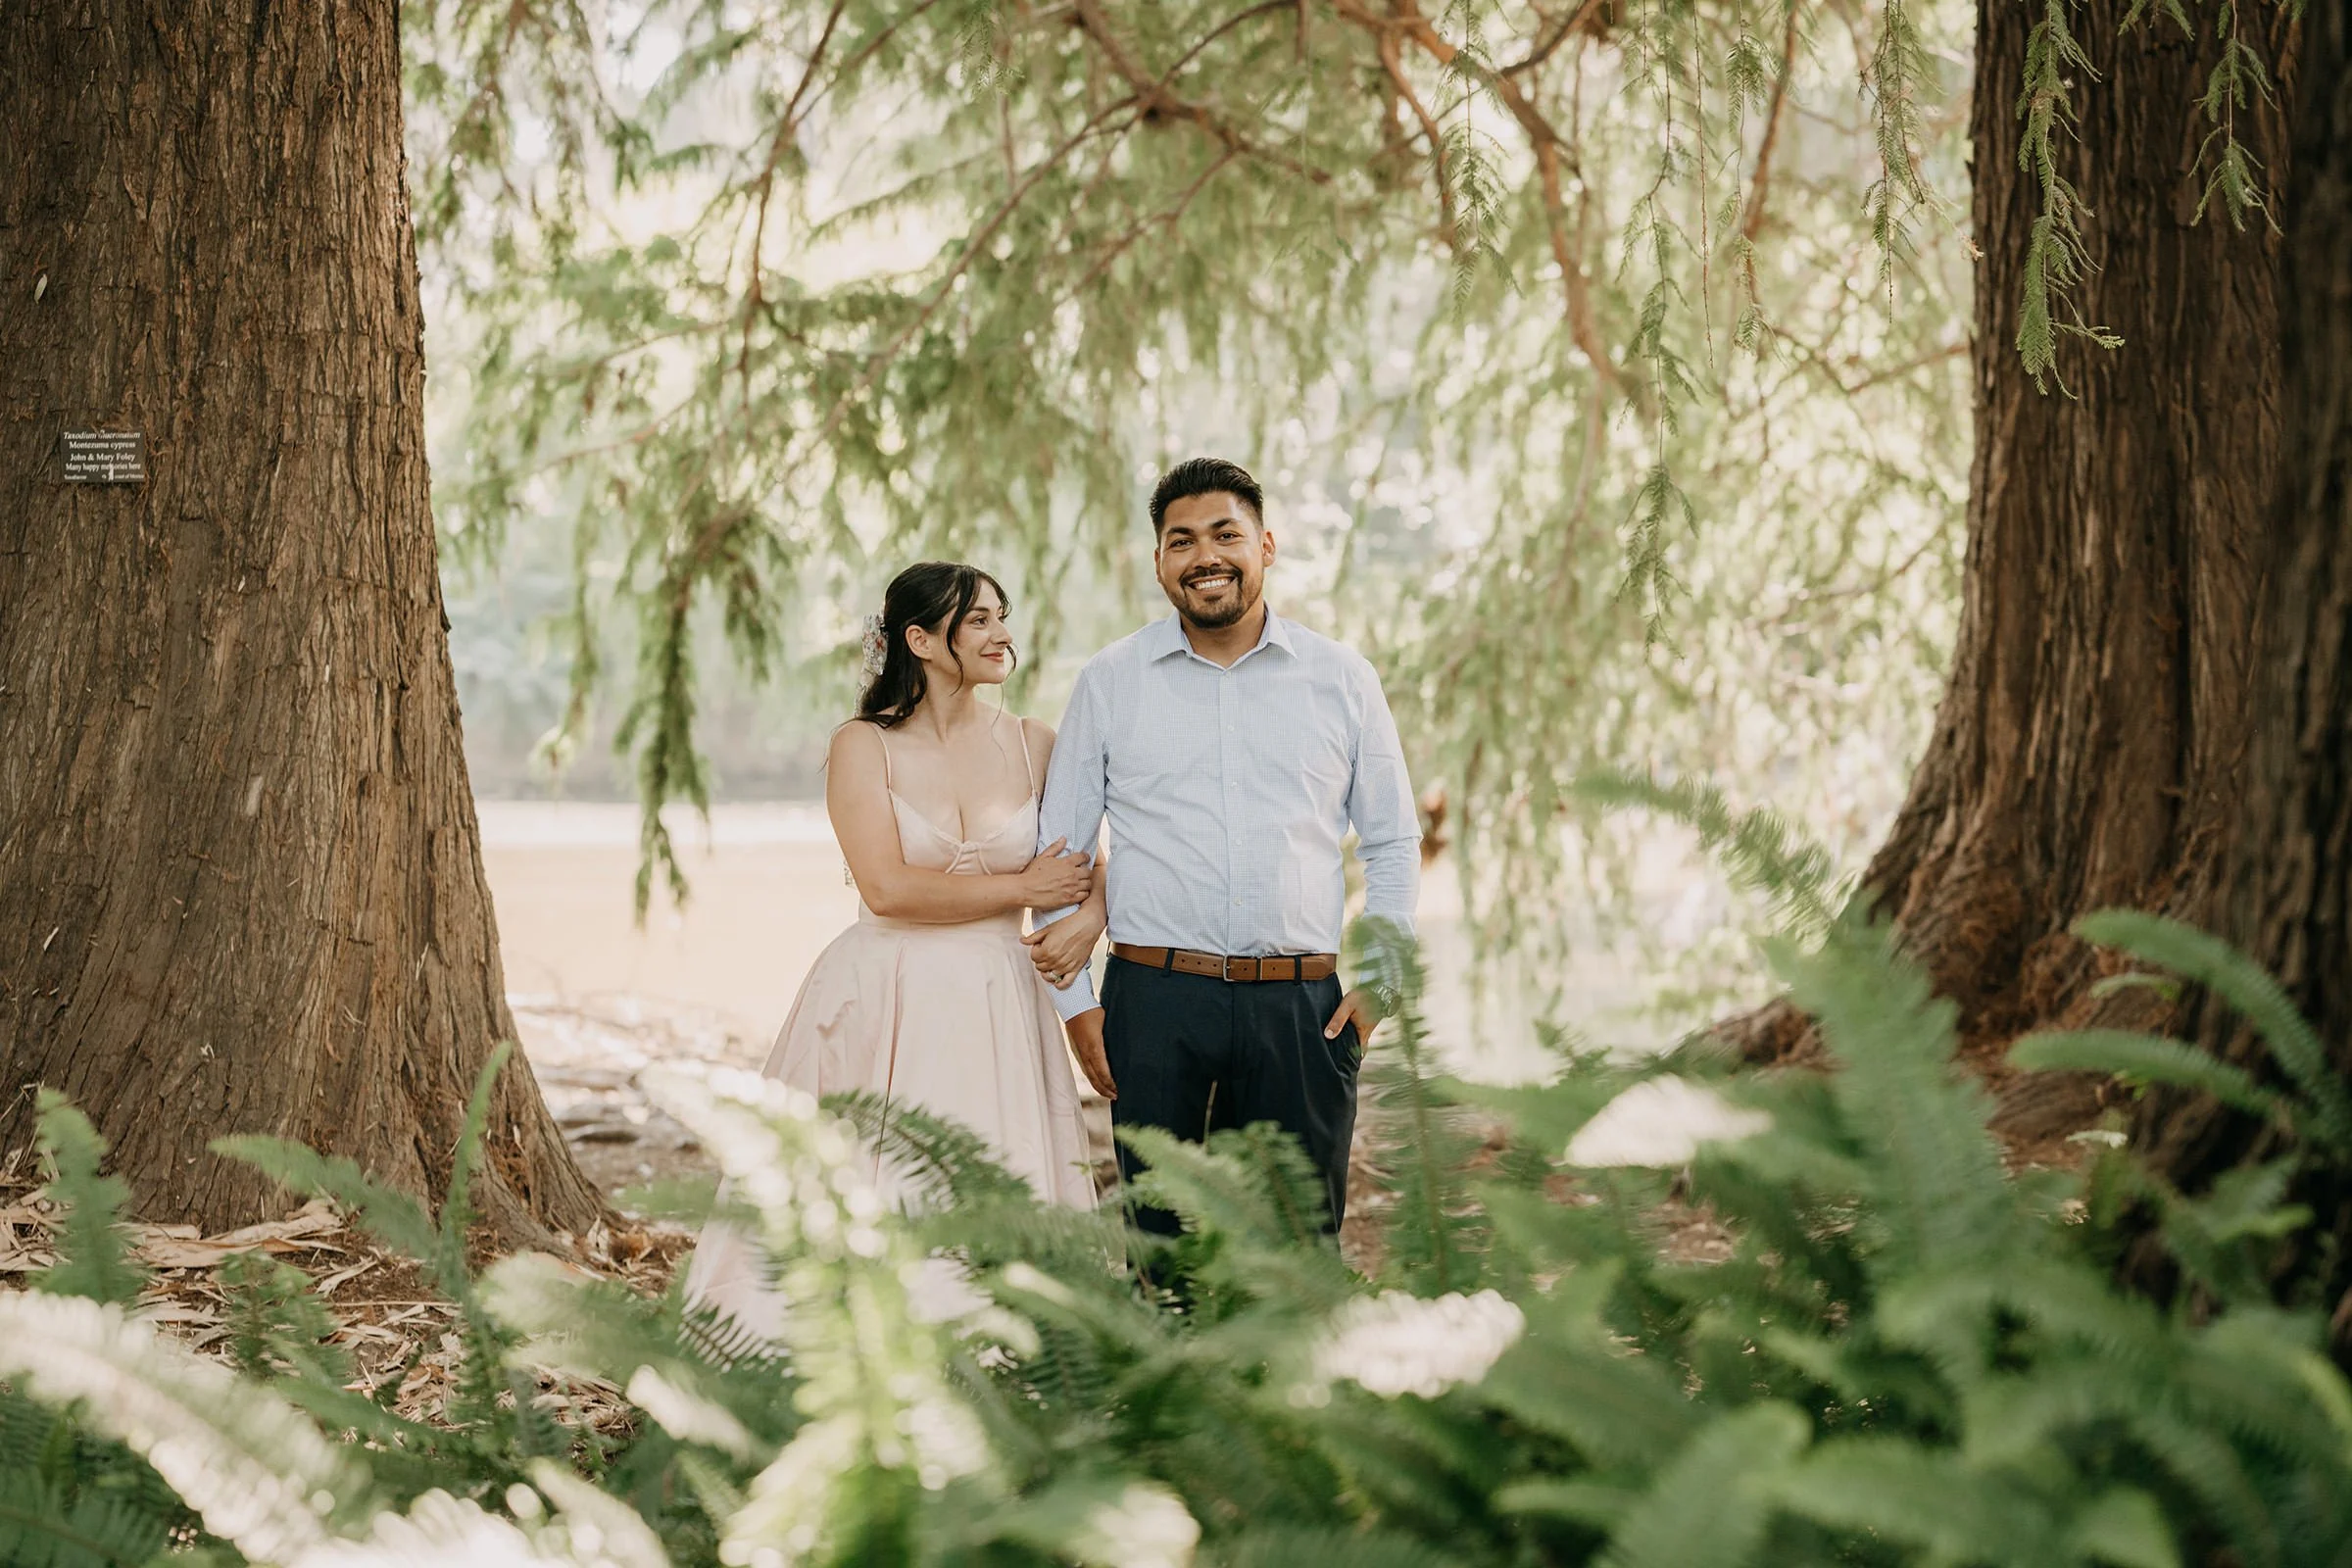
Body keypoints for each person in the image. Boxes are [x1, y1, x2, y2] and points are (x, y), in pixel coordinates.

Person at [686, 562, 1101, 1333]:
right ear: (920, 640)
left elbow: (1087, 866)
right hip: (884, 993)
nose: (1002, 634)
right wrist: (1022, 887)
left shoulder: (1034, 743)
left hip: (999, 996)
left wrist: (1090, 917)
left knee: (996, 1166)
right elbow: (887, 888)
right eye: (978, 620)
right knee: (870, 1183)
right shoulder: (862, 746)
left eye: (1001, 616)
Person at [1024, 458, 1421, 1233]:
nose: (1204, 556)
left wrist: (1385, 977)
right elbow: (1059, 854)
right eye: (1182, 541)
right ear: (1159, 562)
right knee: (1161, 1251)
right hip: (1152, 1005)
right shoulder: (1110, 681)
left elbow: (1393, 840)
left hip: (1302, 1012)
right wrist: (1077, 1007)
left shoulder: (1342, 678)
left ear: (1265, 546)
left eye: (1224, 534)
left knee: (1299, 1253)